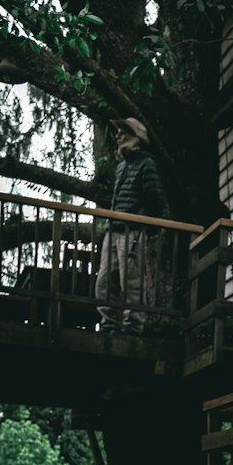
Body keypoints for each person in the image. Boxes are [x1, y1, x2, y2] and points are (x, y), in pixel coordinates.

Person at [95, 118, 166, 335]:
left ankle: (133, 327)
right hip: (114, 229)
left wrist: (146, 225)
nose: (117, 136)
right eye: (117, 132)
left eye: (123, 132)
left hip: (133, 230)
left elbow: (155, 200)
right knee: (105, 281)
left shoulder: (147, 164)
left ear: (136, 136)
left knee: (131, 281)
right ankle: (108, 325)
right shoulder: (121, 167)